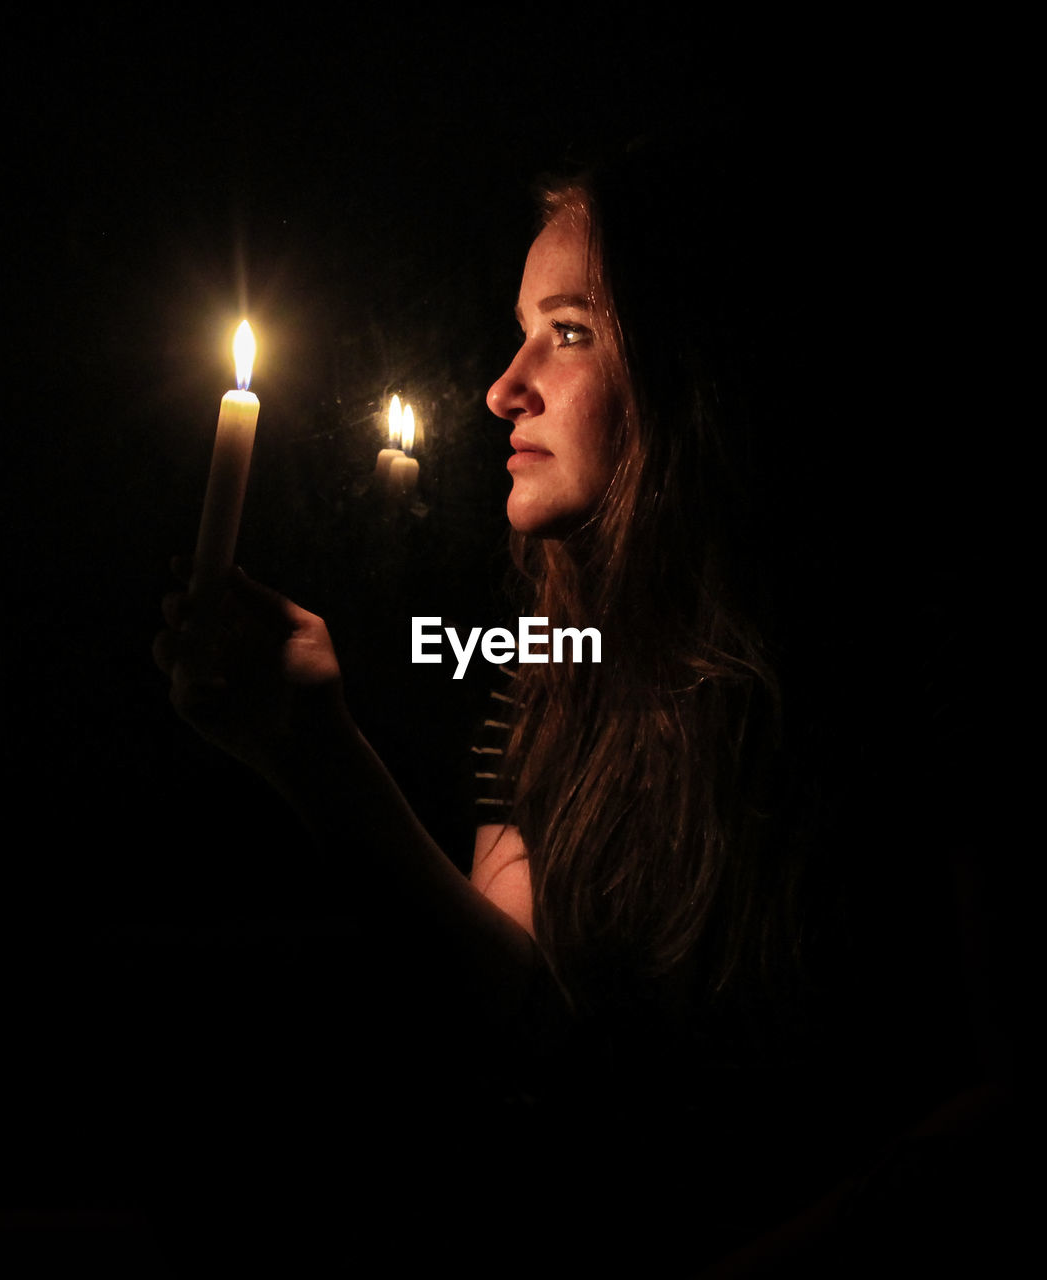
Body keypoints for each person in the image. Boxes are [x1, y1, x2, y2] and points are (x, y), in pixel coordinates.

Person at [151, 134, 1011, 1276]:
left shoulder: (905, 673)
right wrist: (320, 760)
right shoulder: (548, 674)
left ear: (694, 370)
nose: (505, 386)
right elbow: (534, 1027)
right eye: (521, 333)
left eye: (569, 331)